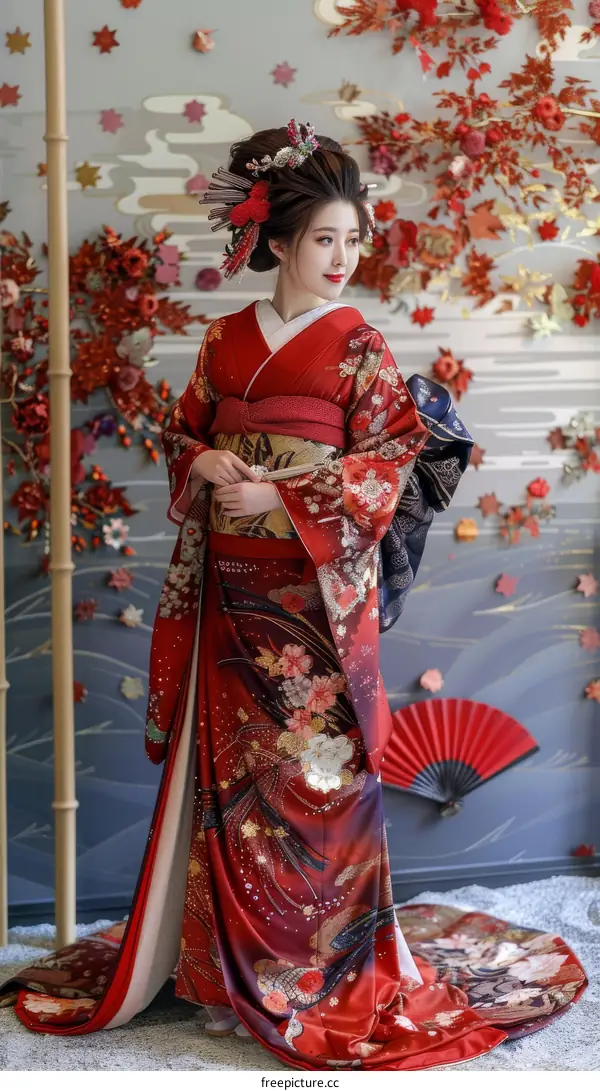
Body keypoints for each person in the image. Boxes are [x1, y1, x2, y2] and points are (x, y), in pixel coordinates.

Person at [0, 121, 587, 1069]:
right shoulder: (225, 339)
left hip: (311, 600)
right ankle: (223, 972)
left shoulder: (358, 346)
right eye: (326, 239)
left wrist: (280, 491)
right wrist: (206, 459)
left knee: (318, 784)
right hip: (230, 593)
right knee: (228, 790)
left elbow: (395, 454)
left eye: (356, 240)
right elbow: (182, 434)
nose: (345, 258)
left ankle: (314, 972)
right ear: (278, 242)